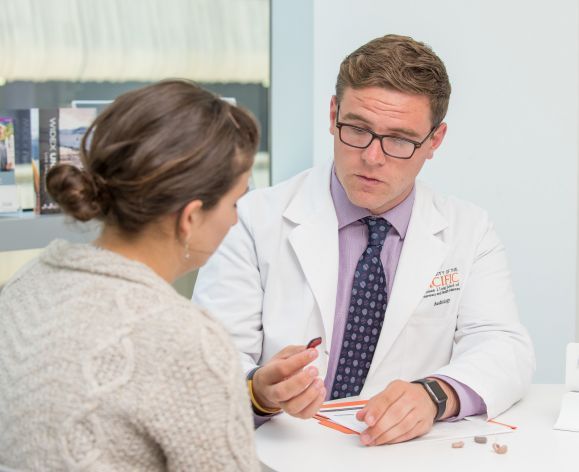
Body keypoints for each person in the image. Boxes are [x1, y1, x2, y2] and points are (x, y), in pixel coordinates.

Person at [193, 35, 535, 446]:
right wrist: (259, 393)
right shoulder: (252, 219)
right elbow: (209, 363)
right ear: (333, 113)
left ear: (435, 141)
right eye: (357, 129)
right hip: (284, 452)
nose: (373, 157)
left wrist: (434, 395)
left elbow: (503, 346)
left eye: (400, 140)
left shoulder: (468, 229)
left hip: (400, 455)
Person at [0, 80, 261, 470]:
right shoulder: (188, 341)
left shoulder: (26, 284)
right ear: (190, 217)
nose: (237, 218)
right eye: (236, 201)